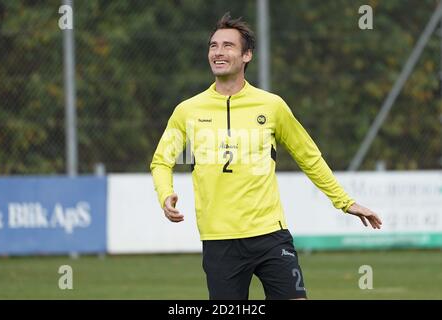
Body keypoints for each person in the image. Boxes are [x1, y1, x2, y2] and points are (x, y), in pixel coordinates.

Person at [150, 12, 382, 300]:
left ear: (247, 55)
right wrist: (165, 194)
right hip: (219, 239)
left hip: (270, 234)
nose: (218, 52)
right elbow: (162, 160)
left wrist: (345, 202)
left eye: (228, 46)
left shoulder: (272, 106)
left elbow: (309, 157)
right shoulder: (188, 110)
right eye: (213, 46)